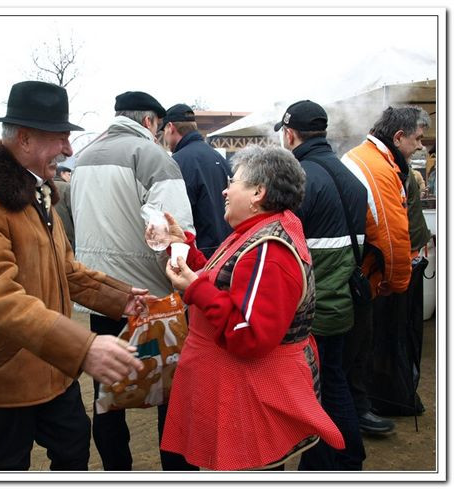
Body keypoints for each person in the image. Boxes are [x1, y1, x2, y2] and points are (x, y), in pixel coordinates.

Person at [0, 80, 147, 471]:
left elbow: (65, 270)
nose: (69, 150)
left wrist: (121, 297)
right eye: (61, 139)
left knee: (73, 451)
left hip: (51, 364)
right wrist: (83, 347)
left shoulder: (37, 193)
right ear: (24, 140)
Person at [160, 145, 345, 470]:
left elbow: (250, 336)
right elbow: (227, 280)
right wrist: (186, 248)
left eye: (234, 182)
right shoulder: (259, 232)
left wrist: (194, 289)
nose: (225, 189)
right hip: (241, 393)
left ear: (258, 192)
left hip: (249, 399)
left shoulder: (269, 249)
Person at [71, 90, 196, 471]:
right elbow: (177, 232)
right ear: (150, 122)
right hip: (153, 297)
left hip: (101, 295)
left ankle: (116, 472)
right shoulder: (153, 156)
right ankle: (176, 471)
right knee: (171, 391)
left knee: (107, 392)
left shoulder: (83, 158)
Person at [275, 100, 367, 470]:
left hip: (311, 311)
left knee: (317, 392)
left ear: (290, 133)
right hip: (342, 301)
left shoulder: (300, 179)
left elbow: (284, 247)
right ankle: (334, 460)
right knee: (333, 383)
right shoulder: (351, 177)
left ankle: (341, 458)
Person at [341, 106, 430, 433]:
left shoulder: (373, 158)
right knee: (362, 347)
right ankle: (358, 412)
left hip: (363, 274)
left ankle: (358, 408)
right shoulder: (378, 167)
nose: (420, 146)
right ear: (398, 136)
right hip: (372, 276)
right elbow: (393, 236)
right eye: (417, 140)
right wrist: (399, 282)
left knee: (360, 347)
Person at [160, 103, 232, 258]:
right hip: (227, 250)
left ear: (170, 127)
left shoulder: (177, 162)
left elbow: (176, 216)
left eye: (164, 131)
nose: (164, 138)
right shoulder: (219, 158)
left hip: (198, 255)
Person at [53, 165, 75, 250]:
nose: (70, 177)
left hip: (52, 230)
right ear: (62, 174)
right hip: (66, 230)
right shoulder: (66, 187)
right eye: (68, 174)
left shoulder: (47, 185)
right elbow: (72, 209)